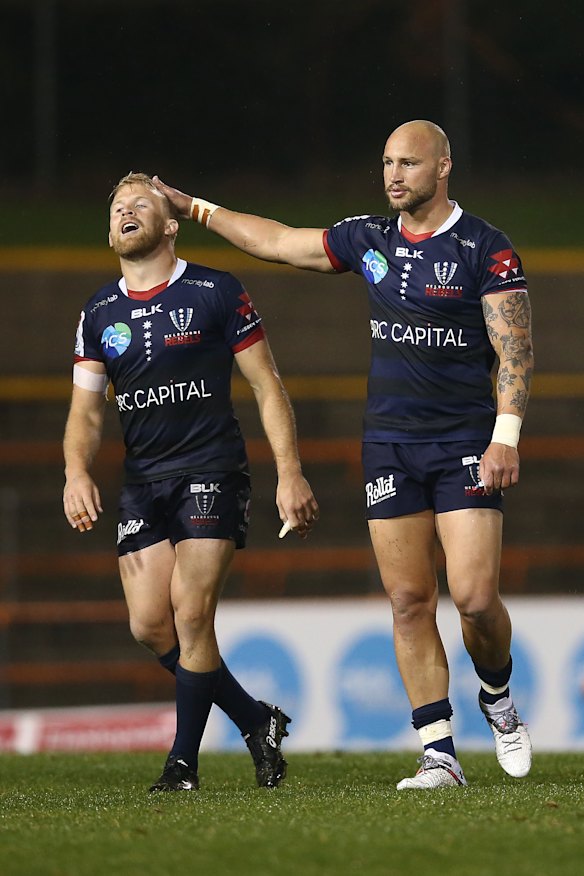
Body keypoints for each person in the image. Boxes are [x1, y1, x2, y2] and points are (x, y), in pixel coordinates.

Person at [153, 119, 534, 790]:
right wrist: (197, 209)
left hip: (467, 443)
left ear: (443, 168)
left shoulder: (485, 247)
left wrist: (506, 435)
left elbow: (516, 349)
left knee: (474, 598)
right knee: (409, 599)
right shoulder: (370, 239)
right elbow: (277, 242)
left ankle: (498, 697)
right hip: (389, 444)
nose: (394, 175)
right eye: (387, 162)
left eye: (409, 163)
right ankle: (439, 753)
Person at [63, 171, 319, 793]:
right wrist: (75, 471)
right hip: (143, 482)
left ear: (170, 225)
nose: (126, 211)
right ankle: (257, 720)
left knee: (191, 613)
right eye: (117, 206)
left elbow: (266, 385)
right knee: (150, 626)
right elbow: (87, 410)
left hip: (212, 471)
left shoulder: (216, 289)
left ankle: (182, 765)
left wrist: (290, 471)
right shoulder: (99, 312)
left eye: (139, 204)